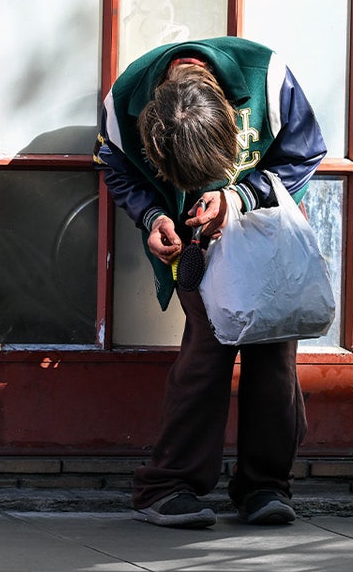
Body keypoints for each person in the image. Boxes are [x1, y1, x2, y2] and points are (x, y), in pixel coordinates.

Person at [93, 36, 327, 528]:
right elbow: (116, 168)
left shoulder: (268, 76)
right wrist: (153, 215)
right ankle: (166, 487)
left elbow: (305, 152)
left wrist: (238, 197)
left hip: (264, 239)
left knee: (274, 360)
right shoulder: (124, 101)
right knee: (206, 357)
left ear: (229, 117)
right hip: (192, 247)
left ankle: (265, 487)